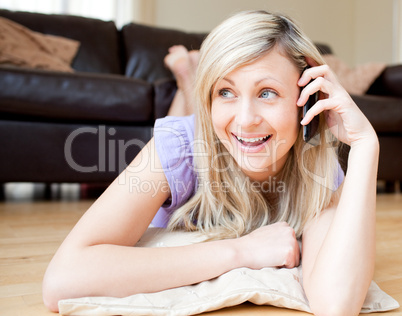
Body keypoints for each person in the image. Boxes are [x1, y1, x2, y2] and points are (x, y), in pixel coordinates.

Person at [43, 10, 379, 316]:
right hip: (191, 141)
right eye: (226, 92)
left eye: (267, 93)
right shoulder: (178, 145)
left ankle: (190, 82)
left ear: (305, 100)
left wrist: (365, 145)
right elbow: (62, 280)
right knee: (184, 131)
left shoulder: (316, 169)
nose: (246, 120)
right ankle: (186, 82)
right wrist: (240, 252)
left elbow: (336, 304)